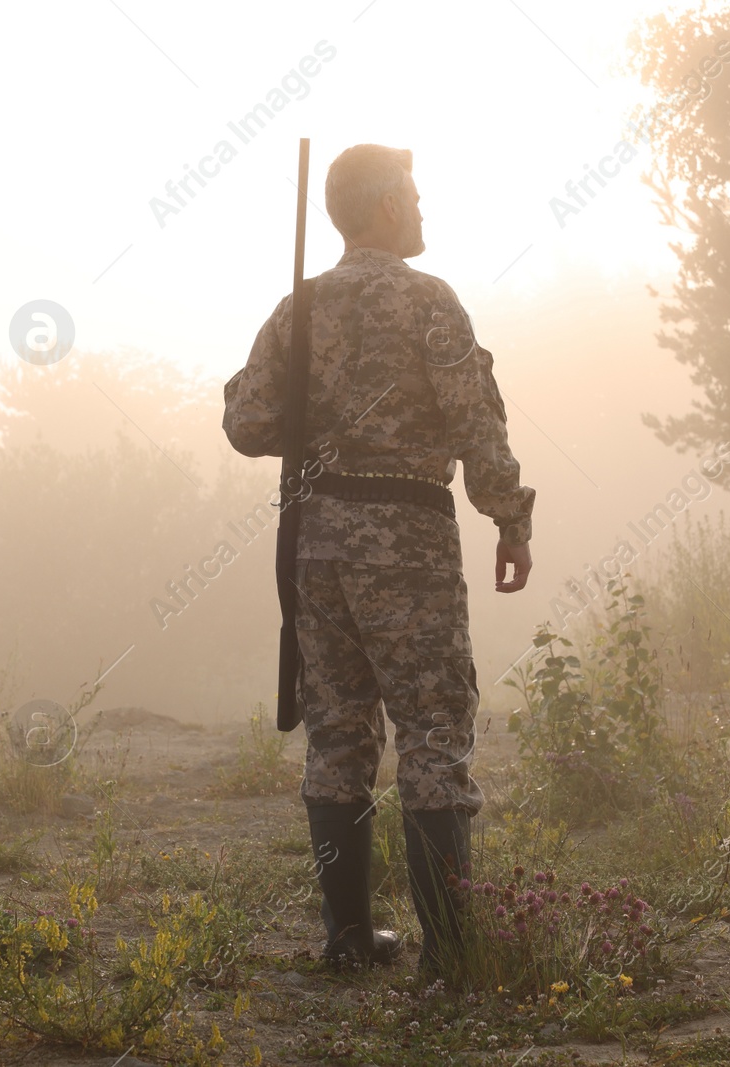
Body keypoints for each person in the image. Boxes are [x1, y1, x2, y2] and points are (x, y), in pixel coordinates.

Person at [222, 144, 535, 971]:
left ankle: (350, 941)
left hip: (317, 547)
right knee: (433, 735)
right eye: (418, 197)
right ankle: (452, 955)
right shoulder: (430, 301)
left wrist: (301, 398)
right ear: (389, 205)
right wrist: (510, 516)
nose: (426, 210)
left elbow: (247, 425)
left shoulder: (301, 310)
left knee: (336, 737)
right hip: (410, 547)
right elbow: (475, 423)